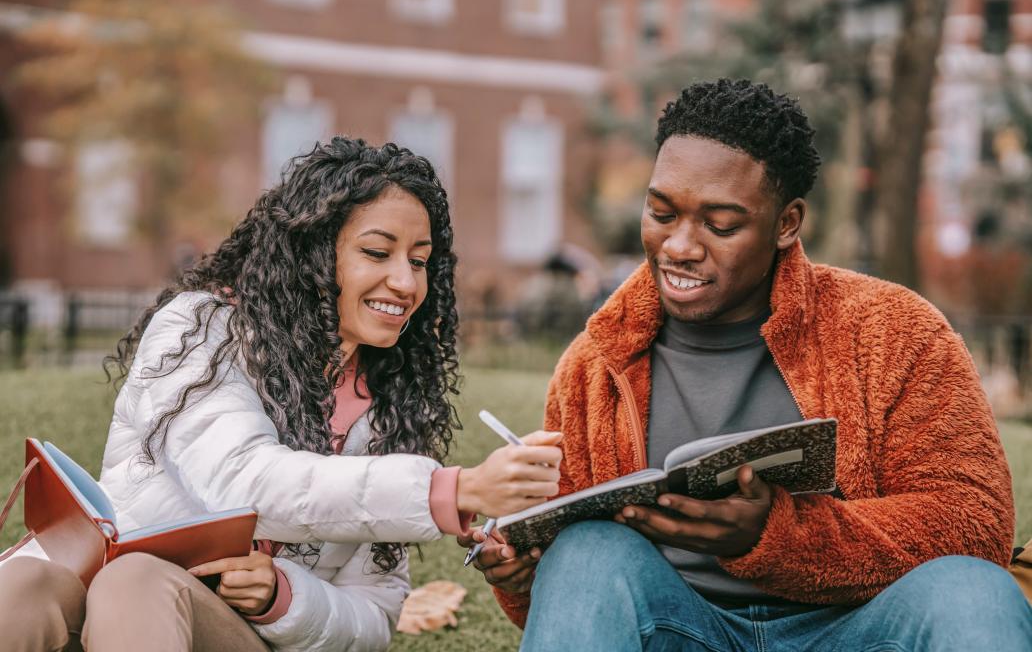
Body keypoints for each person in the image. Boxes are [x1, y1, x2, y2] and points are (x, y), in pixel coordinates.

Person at [464, 79, 1031, 650]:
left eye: (721, 225)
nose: (679, 246)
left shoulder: (896, 332)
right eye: (661, 213)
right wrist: (521, 570)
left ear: (786, 224)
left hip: (857, 628)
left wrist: (778, 536)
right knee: (585, 552)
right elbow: (579, 602)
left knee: (974, 592)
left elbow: (974, 523)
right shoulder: (595, 363)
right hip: (683, 628)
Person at [0, 137, 563, 652]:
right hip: (100, 597)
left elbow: (373, 613)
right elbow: (242, 481)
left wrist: (282, 597)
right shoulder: (202, 331)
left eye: (419, 261)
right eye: (377, 252)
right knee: (25, 582)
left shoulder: (390, 406)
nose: (407, 282)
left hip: (222, 631)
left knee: (137, 579)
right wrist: (453, 490)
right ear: (312, 254)